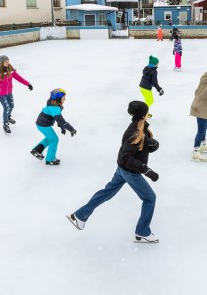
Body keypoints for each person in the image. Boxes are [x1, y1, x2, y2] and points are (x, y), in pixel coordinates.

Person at [66, 101, 161, 243]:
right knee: (150, 198)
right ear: (143, 115)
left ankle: (79, 216)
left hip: (122, 170)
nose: (148, 114)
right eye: (147, 112)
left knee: (107, 193)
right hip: (130, 172)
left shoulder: (140, 128)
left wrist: (151, 145)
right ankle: (142, 232)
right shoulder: (135, 132)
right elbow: (126, 157)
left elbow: (138, 148)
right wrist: (146, 170)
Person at [0, 55, 33, 134]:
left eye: (8, 61)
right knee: (6, 108)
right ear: (2, 62)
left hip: (9, 92)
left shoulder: (11, 70)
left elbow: (19, 78)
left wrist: (28, 84)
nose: (8, 62)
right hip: (0, 93)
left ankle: (8, 117)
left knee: (11, 106)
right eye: (6, 61)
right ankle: (5, 124)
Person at [30, 88, 76, 165]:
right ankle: (50, 159)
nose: (65, 99)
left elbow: (57, 119)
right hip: (43, 125)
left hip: (41, 124)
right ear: (58, 99)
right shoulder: (54, 108)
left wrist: (62, 127)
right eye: (63, 98)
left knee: (50, 138)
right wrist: (71, 129)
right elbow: (61, 121)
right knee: (54, 139)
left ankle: (37, 150)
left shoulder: (52, 104)